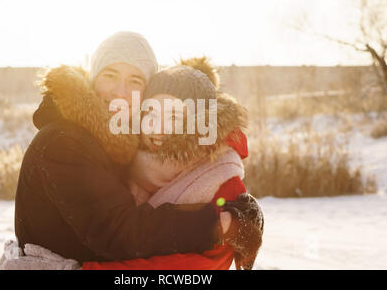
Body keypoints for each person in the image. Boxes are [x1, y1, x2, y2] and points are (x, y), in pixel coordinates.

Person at [1, 32, 263, 268]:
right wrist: (219, 223)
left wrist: (241, 208)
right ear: (92, 79)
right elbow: (119, 232)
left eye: (135, 81)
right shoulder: (64, 141)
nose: (121, 92)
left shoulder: (121, 144)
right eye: (110, 75)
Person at [82, 60, 262, 270]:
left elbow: (195, 268)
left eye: (175, 117)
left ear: (198, 123)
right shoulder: (125, 164)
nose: (158, 128)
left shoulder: (222, 180)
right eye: (151, 113)